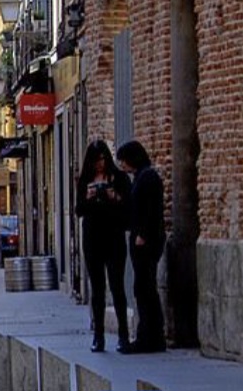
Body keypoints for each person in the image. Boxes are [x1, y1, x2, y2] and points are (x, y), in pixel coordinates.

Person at [75, 140, 132, 352]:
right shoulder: (85, 181)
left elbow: (128, 207)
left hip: (114, 238)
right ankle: (98, 336)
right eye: (95, 160)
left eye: (102, 159)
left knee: (117, 287)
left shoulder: (119, 178)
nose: (99, 164)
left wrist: (113, 196)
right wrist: (89, 197)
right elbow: (79, 210)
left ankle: (123, 335)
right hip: (92, 239)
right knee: (97, 289)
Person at [116, 139, 166, 354]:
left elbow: (151, 210)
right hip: (140, 239)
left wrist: (143, 234)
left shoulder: (148, 178)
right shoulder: (139, 178)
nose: (122, 165)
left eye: (124, 161)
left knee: (145, 288)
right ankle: (148, 335)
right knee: (143, 288)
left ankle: (150, 336)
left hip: (146, 241)